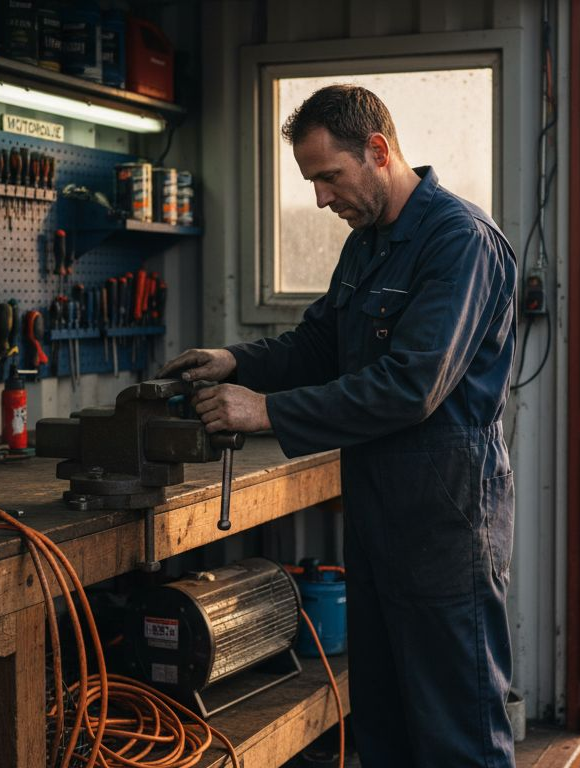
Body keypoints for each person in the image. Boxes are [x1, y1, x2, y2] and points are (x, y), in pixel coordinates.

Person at [158, 84, 517, 767]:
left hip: (446, 517)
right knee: (382, 718)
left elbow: (411, 387)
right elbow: (321, 344)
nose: (321, 197)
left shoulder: (458, 242)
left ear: (377, 152)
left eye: (329, 176)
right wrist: (234, 360)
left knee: (456, 729)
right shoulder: (368, 244)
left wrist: (264, 411)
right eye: (311, 180)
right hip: (380, 511)